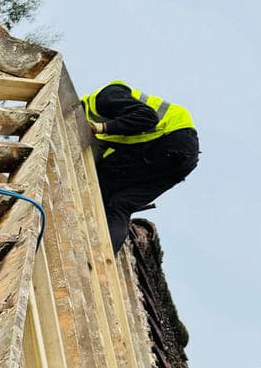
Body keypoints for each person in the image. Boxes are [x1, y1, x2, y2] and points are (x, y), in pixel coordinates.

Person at [80, 81, 199, 252]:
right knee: (120, 204)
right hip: (182, 160)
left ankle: (96, 252)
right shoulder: (114, 135)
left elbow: (148, 117)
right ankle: (103, 257)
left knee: (104, 178)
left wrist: (102, 127)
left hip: (172, 138)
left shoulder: (105, 97)